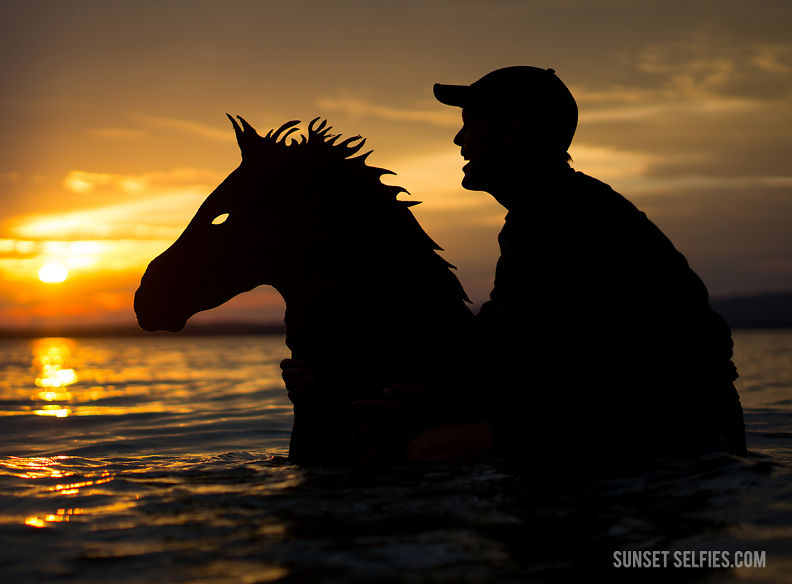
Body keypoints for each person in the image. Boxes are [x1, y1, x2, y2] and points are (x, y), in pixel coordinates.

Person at [284, 66, 747, 463]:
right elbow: (501, 344)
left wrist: (431, 409)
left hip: (658, 431)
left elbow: (549, 365)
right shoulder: (557, 209)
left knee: (420, 450)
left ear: (511, 134)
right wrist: (339, 377)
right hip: (669, 424)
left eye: (471, 124)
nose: (459, 138)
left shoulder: (558, 218)